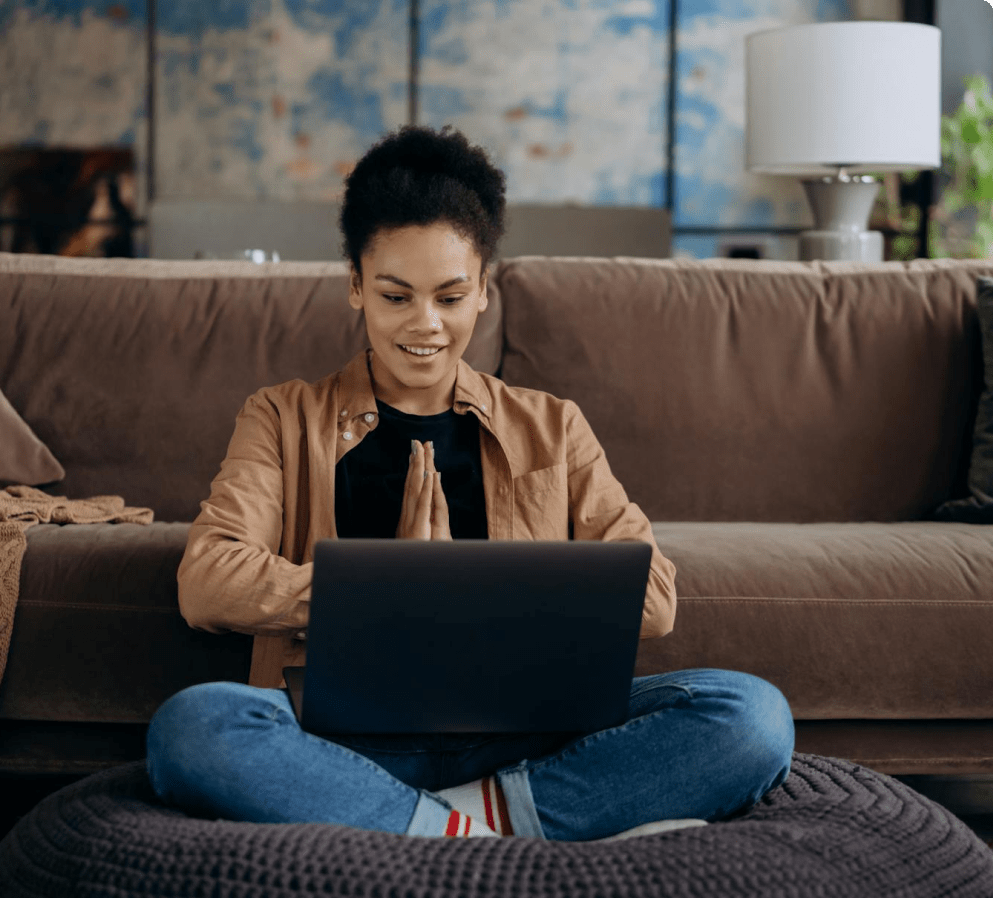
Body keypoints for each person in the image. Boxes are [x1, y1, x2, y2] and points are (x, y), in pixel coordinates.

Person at [145, 125, 795, 841]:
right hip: (338, 741)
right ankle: (492, 828)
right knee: (193, 728)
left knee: (753, 717)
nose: (425, 324)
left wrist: (469, 586)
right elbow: (206, 580)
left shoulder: (553, 427)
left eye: (450, 297)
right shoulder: (280, 415)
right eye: (396, 296)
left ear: (483, 291)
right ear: (356, 287)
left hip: (519, 739)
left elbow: (656, 599)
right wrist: (386, 587)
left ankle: (429, 828)